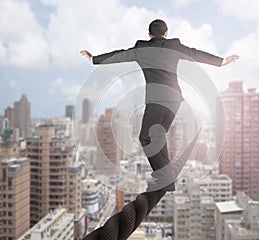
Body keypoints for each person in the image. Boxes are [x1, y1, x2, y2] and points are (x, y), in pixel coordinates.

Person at [81, 19, 239, 192]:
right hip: (175, 100)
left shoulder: (142, 49)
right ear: (166, 33)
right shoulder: (174, 46)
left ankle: (165, 177)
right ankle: (167, 178)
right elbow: (195, 54)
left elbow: (120, 55)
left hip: (157, 101)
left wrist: (94, 59)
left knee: (145, 137)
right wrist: (222, 61)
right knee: (158, 135)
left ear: (149, 35)